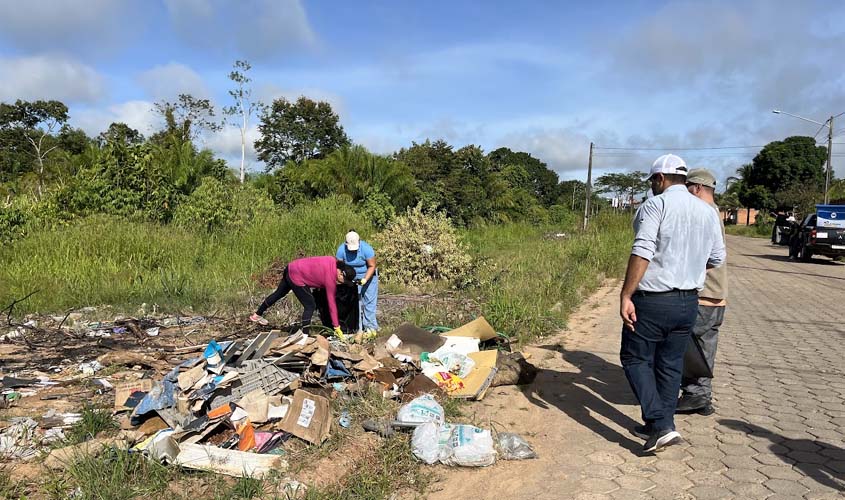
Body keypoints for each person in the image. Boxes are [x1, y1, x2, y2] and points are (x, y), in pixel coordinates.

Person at [619, 154, 725, 453]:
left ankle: (660, 423)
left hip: (653, 300)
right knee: (670, 364)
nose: (652, 186)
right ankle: (660, 426)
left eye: (653, 181)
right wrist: (688, 270)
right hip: (689, 301)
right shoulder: (707, 211)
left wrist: (626, 294)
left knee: (635, 359)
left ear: (660, 179)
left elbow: (642, 250)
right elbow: (717, 258)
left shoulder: (656, 205)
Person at [678, 169, 728, 416]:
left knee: (690, 348)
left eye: (687, 188)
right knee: (705, 347)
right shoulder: (715, 211)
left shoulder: (704, 212)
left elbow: (708, 256)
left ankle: (695, 395)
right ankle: (702, 397)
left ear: (697, 188)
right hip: (717, 294)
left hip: (704, 293)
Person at [250, 256, 356, 336]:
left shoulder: (333, 260)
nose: (342, 283)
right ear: (341, 274)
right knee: (310, 305)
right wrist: (337, 327)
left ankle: (256, 315)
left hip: (292, 267)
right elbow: (332, 305)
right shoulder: (330, 280)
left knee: (279, 293)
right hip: (297, 277)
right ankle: (304, 335)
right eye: (344, 281)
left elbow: (317, 269)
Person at [336, 230, 379, 333]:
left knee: (369, 302)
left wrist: (365, 279)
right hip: (351, 277)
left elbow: (372, 266)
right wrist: (345, 281)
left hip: (368, 275)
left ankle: (370, 327)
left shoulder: (366, 249)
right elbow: (339, 268)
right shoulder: (341, 250)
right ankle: (356, 328)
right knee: (356, 303)